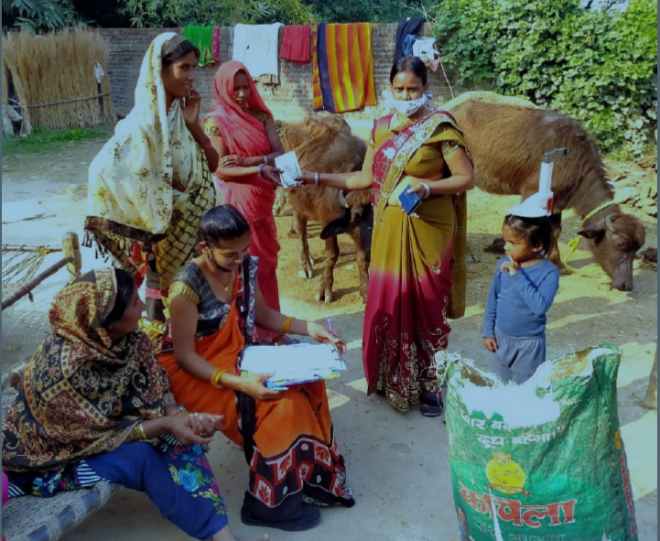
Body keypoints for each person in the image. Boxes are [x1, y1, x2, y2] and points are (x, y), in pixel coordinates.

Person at [1, 268, 267, 541]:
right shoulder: (63, 370)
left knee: (178, 433)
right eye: (134, 303)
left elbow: (157, 381)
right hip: (52, 461)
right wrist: (166, 424)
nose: (143, 307)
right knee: (141, 457)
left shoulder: (128, 340)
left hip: (105, 432)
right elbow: (98, 438)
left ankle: (223, 536)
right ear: (109, 319)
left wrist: (175, 414)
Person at [157, 205, 356, 532]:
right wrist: (238, 383)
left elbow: (263, 314)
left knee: (310, 385)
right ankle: (269, 505)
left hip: (237, 355)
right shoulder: (185, 287)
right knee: (277, 404)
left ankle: (307, 480)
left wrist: (308, 327)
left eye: (244, 250)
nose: (240, 259)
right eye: (230, 254)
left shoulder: (242, 267)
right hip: (196, 372)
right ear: (204, 247)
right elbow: (183, 356)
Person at [296, 57, 475, 416]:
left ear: (426, 89)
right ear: (390, 88)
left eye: (413, 89)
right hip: (390, 230)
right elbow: (362, 180)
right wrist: (313, 178)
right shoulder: (381, 128)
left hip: (430, 230)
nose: (406, 95)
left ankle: (429, 386)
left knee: (427, 307)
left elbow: (465, 178)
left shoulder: (440, 127)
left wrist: (426, 187)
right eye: (399, 89)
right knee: (391, 304)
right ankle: (391, 378)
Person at [85, 33, 219, 322]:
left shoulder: (180, 119)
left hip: (197, 242)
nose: (192, 76)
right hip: (165, 247)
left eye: (194, 67)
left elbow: (213, 166)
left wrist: (195, 127)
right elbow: (101, 171)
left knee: (196, 320)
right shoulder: (140, 126)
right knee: (164, 324)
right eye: (184, 67)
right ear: (160, 70)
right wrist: (158, 196)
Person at [203, 61, 285, 339]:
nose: (240, 94)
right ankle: (244, 332)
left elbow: (279, 152)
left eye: (244, 87)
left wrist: (253, 161)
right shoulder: (216, 122)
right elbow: (221, 168)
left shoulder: (261, 116)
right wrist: (259, 169)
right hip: (238, 204)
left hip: (262, 201)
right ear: (223, 89)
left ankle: (271, 330)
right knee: (243, 268)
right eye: (234, 88)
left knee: (266, 268)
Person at [482, 214, 560, 384]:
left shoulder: (549, 272)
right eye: (505, 240)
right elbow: (493, 298)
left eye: (514, 242)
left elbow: (539, 307)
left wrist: (517, 275)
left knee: (524, 390)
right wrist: (488, 331)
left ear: (537, 245)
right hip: (501, 339)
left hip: (529, 345)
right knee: (498, 385)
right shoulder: (502, 264)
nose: (506, 247)